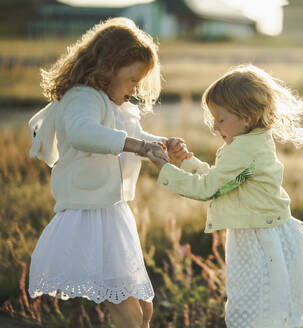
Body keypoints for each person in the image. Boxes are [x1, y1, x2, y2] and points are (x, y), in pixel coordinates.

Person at [146, 64, 303, 327]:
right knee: (265, 305)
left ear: (247, 116)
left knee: (257, 308)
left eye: (221, 119)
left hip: (258, 240)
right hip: (260, 234)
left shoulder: (243, 149)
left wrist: (166, 171)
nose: (215, 127)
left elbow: (209, 189)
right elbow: (225, 181)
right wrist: (187, 162)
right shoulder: (251, 141)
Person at [27, 17, 188, 328]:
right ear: (107, 67)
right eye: (131, 79)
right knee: (128, 312)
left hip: (112, 213)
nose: (136, 88)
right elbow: (82, 134)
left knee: (144, 309)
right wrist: (140, 147)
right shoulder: (82, 98)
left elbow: (135, 137)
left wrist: (163, 144)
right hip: (90, 217)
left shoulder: (116, 106)